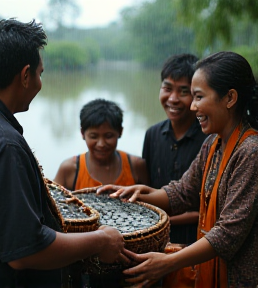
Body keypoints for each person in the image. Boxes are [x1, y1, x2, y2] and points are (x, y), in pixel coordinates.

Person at [0, 19, 130, 288]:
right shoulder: (3, 144)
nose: (40, 83)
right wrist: (101, 240)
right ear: (24, 76)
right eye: (40, 74)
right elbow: (25, 250)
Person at [97, 51, 258, 287]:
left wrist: (169, 262)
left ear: (230, 98)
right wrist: (134, 194)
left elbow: (227, 234)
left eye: (198, 97)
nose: (192, 107)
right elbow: (182, 192)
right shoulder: (212, 143)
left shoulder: (250, 151)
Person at [142, 53, 207, 245]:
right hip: (157, 239)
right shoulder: (153, 134)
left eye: (183, 91)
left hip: (198, 242)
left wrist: (164, 220)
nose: (173, 98)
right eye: (167, 88)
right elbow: (150, 191)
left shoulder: (210, 139)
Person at [54, 98, 149, 191]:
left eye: (108, 136)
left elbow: (152, 201)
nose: (101, 144)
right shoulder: (70, 169)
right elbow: (51, 202)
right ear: (82, 133)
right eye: (93, 136)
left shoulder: (136, 166)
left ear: (120, 132)